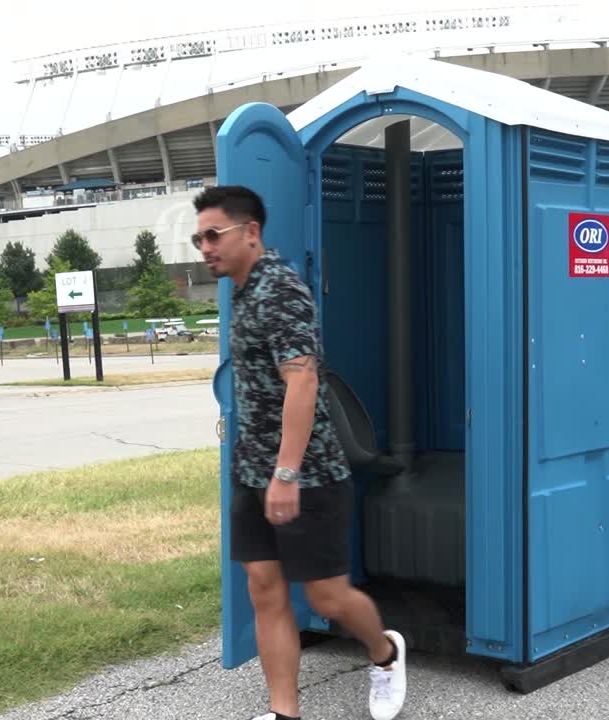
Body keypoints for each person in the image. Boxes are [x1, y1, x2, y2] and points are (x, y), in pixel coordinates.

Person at [192, 185, 408, 720]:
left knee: (328, 597)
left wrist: (285, 473)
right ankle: (284, 713)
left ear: (251, 232)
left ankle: (385, 652)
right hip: (252, 471)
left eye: (213, 235)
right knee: (264, 588)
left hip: (307, 475)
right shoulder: (241, 291)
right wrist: (263, 473)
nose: (204, 247)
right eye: (198, 238)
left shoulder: (281, 290)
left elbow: (303, 381)